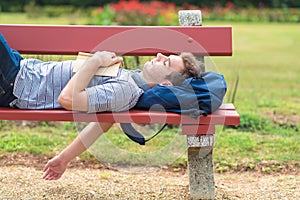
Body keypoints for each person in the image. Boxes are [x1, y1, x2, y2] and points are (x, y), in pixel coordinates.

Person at [0, 33, 202, 180]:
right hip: (23, 68)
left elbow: (67, 99)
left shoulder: (126, 90)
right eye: (165, 56)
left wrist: (96, 60)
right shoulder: (129, 78)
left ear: (165, 84)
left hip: (16, 83)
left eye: (165, 63)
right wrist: (64, 158)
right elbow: (103, 122)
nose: (159, 55)